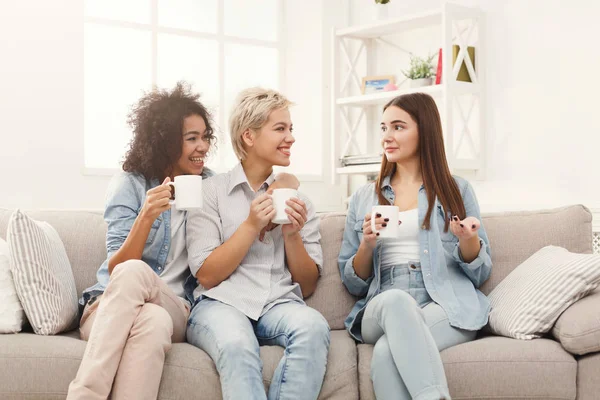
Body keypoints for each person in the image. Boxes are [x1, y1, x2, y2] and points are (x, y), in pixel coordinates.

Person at [67, 81, 296, 399]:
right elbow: (118, 270)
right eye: (192, 139)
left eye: (205, 137)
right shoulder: (130, 185)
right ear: (165, 142)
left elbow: (265, 180)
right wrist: (146, 217)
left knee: (156, 308)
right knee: (150, 318)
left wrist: (287, 180)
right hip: (111, 308)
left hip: (177, 305)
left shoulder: (211, 186)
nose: (203, 146)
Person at [338, 92, 492, 400]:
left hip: (443, 302)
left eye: (398, 127)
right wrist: (367, 245)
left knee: (385, 354)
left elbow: (480, 273)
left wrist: (468, 240)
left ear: (425, 130)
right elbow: (352, 282)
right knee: (396, 301)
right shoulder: (363, 197)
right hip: (383, 303)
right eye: (383, 128)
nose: (387, 137)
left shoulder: (456, 190)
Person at [185, 87, 330, 400]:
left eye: (291, 129)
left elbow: (306, 286)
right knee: (237, 344)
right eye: (280, 129)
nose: (290, 137)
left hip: (279, 303)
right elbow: (207, 275)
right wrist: (251, 225)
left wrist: (292, 233)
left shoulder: (298, 201)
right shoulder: (211, 192)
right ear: (249, 136)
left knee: (314, 327)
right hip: (220, 303)